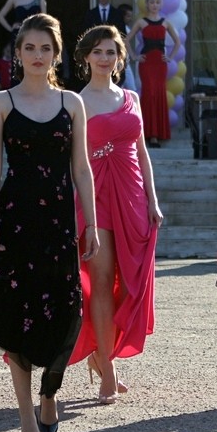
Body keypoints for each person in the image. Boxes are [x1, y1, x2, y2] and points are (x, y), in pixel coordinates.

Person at [0, 13, 98, 432]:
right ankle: (26, 416)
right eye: (29, 48)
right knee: (15, 318)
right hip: (14, 220)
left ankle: (49, 393)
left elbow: (82, 168)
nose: (37, 55)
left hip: (59, 223)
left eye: (46, 48)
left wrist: (92, 222)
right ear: (17, 53)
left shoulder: (71, 103)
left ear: (56, 55)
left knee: (68, 312)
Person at [67, 24, 162, 404]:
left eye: (111, 52)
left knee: (129, 282)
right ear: (86, 57)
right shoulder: (76, 102)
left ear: (120, 58)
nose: (105, 58)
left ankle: (99, 352)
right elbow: (72, 161)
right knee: (102, 281)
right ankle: (108, 370)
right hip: (97, 198)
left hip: (133, 196)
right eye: (98, 52)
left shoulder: (131, 98)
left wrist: (153, 199)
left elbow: (142, 153)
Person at [125, 0, 180, 148]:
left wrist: (170, 57)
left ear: (161, 4)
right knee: (149, 94)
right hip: (147, 63)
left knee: (159, 94)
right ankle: (148, 134)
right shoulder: (141, 22)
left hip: (160, 65)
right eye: (152, 2)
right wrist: (134, 56)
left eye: (157, 2)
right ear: (147, 4)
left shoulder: (166, 23)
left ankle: (158, 133)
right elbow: (126, 40)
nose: (154, 5)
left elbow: (177, 42)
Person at [0, 0, 47, 86]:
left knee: (34, 63)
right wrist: (10, 28)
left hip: (35, 36)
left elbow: (44, 20)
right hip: (18, 36)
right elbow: (0, 16)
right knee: (18, 66)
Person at [117, 3, 137, 91]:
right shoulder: (118, 28)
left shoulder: (126, 27)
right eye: (128, 16)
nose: (130, 19)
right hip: (119, 60)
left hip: (126, 61)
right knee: (122, 86)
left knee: (130, 87)